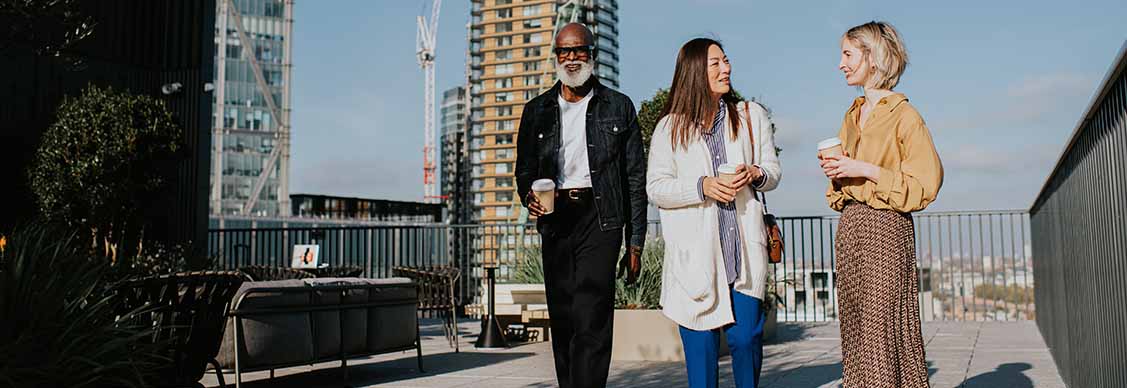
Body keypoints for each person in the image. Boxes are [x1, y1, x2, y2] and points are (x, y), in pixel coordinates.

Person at [515, 22, 647, 388]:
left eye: (579, 50)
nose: (572, 58)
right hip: (556, 218)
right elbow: (524, 170)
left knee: (592, 315)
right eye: (564, 51)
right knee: (563, 316)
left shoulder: (619, 107)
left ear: (592, 54)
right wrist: (529, 196)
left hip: (600, 217)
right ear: (555, 57)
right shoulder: (536, 110)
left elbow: (635, 178)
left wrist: (635, 243)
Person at [646, 37, 781, 388]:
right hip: (697, 261)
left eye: (726, 60)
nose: (727, 68)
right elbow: (656, 188)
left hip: (743, 256)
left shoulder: (750, 116)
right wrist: (700, 186)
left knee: (745, 340)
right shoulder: (669, 129)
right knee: (702, 358)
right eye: (716, 63)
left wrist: (756, 173)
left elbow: (772, 171)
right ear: (694, 72)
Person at [819, 21, 943, 388]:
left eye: (847, 54)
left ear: (872, 58)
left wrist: (866, 170)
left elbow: (925, 185)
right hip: (852, 228)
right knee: (857, 333)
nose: (840, 64)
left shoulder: (906, 116)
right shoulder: (851, 115)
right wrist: (838, 174)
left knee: (882, 333)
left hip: (886, 231)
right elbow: (840, 190)